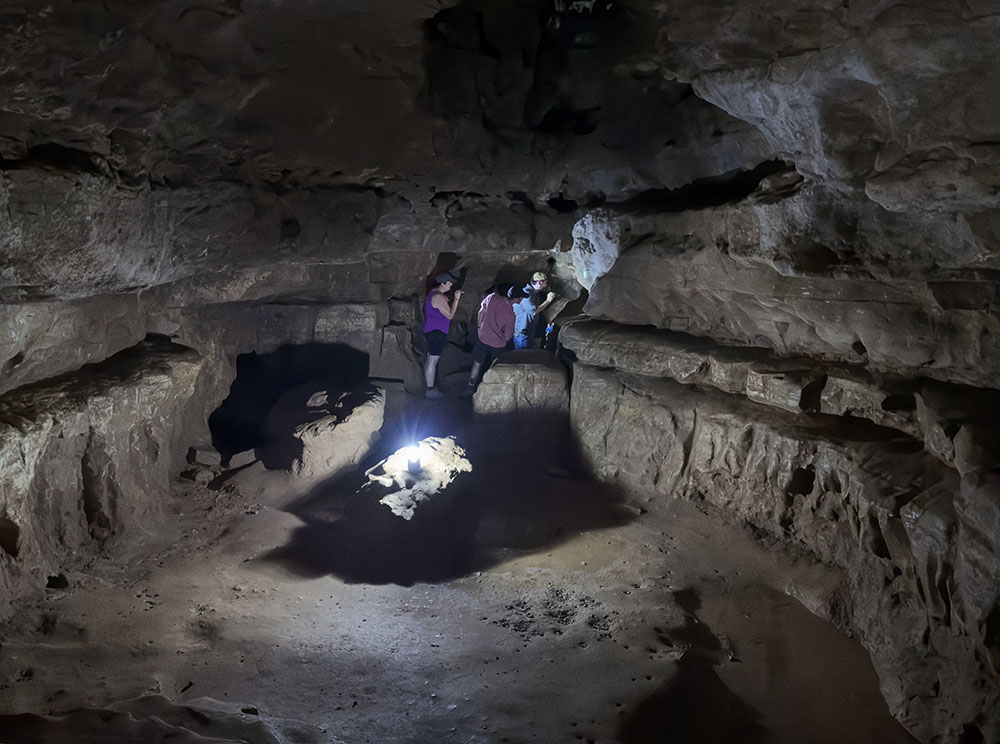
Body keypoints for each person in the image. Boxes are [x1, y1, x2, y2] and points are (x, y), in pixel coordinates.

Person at [468, 284, 526, 388]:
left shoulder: (492, 297)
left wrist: (479, 327)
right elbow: (508, 335)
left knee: (477, 363)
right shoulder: (510, 314)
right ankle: (490, 386)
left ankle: (471, 384)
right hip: (498, 344)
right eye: (521, 298)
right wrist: (504, 339)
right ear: (517, 299)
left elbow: (481, 312)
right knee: (495, 366)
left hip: (483, 337)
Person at [422, 272, 462, 398]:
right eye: (449, 283)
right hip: (436, 332)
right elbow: (450, 315)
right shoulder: (438, 297)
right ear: (442, 284)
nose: (451, 285)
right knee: (433, 360)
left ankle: (427, 386)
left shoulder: (434, 293)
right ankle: (430, 390)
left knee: (430, 359)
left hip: (432, 330)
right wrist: (456, 299)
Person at [513, 272, 557, 350]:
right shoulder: (527, 294)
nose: (546, 286)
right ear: (540, 282)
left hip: (529, 332)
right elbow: (534, 311)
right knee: (522, 357)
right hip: (522, 334)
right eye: (545, 283)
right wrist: (549, 300)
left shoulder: (535, 293)